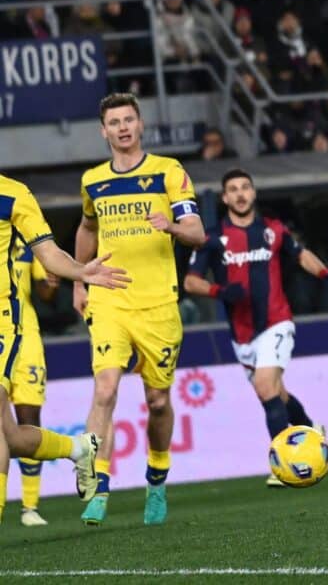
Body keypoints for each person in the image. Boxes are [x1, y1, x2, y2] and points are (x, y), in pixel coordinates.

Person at [74, 93, 207, 527]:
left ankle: (156, 480)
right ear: (104, 131)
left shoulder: (168, 171)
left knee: (158, 401)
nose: (123, 128)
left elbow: (198, 232)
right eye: (114, 122)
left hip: (158, 304)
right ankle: (99, 485)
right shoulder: (93, 180)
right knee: (105, 390)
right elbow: (87, 227)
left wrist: (172, 226)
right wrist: (79, 279)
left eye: (129, 120)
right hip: (110, 297)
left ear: (140, 124)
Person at [184, 169, 328, 487]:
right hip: (242, 334)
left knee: (264, 385)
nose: (240, 194)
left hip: (276, 321)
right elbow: (190, 281)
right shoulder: (213, 238)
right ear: (225, 198)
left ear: (254, 193)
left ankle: (284, 466)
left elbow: (301, 255)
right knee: (275, 394)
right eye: (233, 189)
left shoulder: (273, 230)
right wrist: (220, 291)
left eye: (245, 187)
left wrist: (327, 275)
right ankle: (312, 434)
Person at [0, 173, 129, 524]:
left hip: (4, 321)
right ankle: (79, 448)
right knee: (11, 437)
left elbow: (48, 252)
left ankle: (28, 508)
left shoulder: (13, 194)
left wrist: (80, 272)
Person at [8, 237, 59, 526]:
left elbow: (45, 292)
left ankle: (30, 507)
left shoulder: (25, 240)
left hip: (25, 339)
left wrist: (51, 283)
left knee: (28, 419)